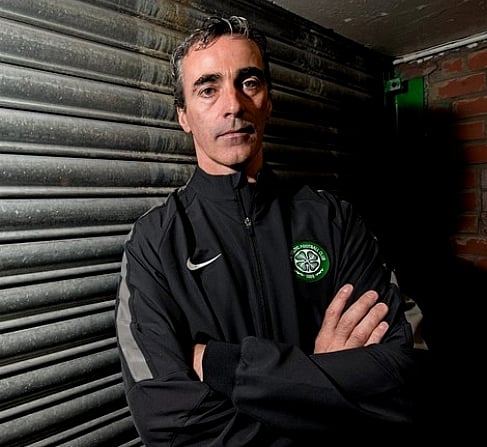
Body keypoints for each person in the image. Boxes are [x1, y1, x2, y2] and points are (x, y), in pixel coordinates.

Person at [114, 15, 426, 446]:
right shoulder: (154, 243)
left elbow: (408, 376)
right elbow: (169, 424)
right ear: (183, 115)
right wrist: (321, 384)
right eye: (207, 89)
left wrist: (225, 365)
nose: (233, 106)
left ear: (269, 101)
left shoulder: (334, 221)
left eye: (249, 83)